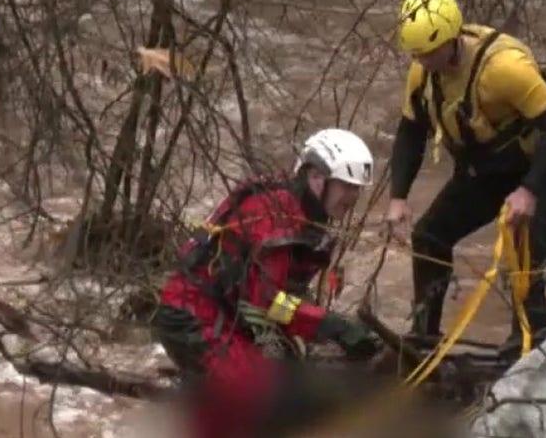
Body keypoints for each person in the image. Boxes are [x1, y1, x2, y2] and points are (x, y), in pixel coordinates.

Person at [385, 0, 546, 351]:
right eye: (417, 54)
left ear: (451, 41)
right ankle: (423, 339)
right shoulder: (422, 74)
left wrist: (528, 190)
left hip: (541, 169)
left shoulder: (503, 70)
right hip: (486, 173)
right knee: (430, 236)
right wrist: (398, 197)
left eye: (429, 53)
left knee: (523, 256)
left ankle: (526, 348)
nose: (422, 61)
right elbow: (411, 132)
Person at [152, 128, 383, 438]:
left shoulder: (301, 211)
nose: (353, 198)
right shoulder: (275, 212)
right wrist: (331, 325)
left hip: (225, 317)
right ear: (316, 176)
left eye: (357, 189)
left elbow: (278, 296)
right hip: (193, 318)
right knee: (269, 404)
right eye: (347, 186)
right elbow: (269, 302)